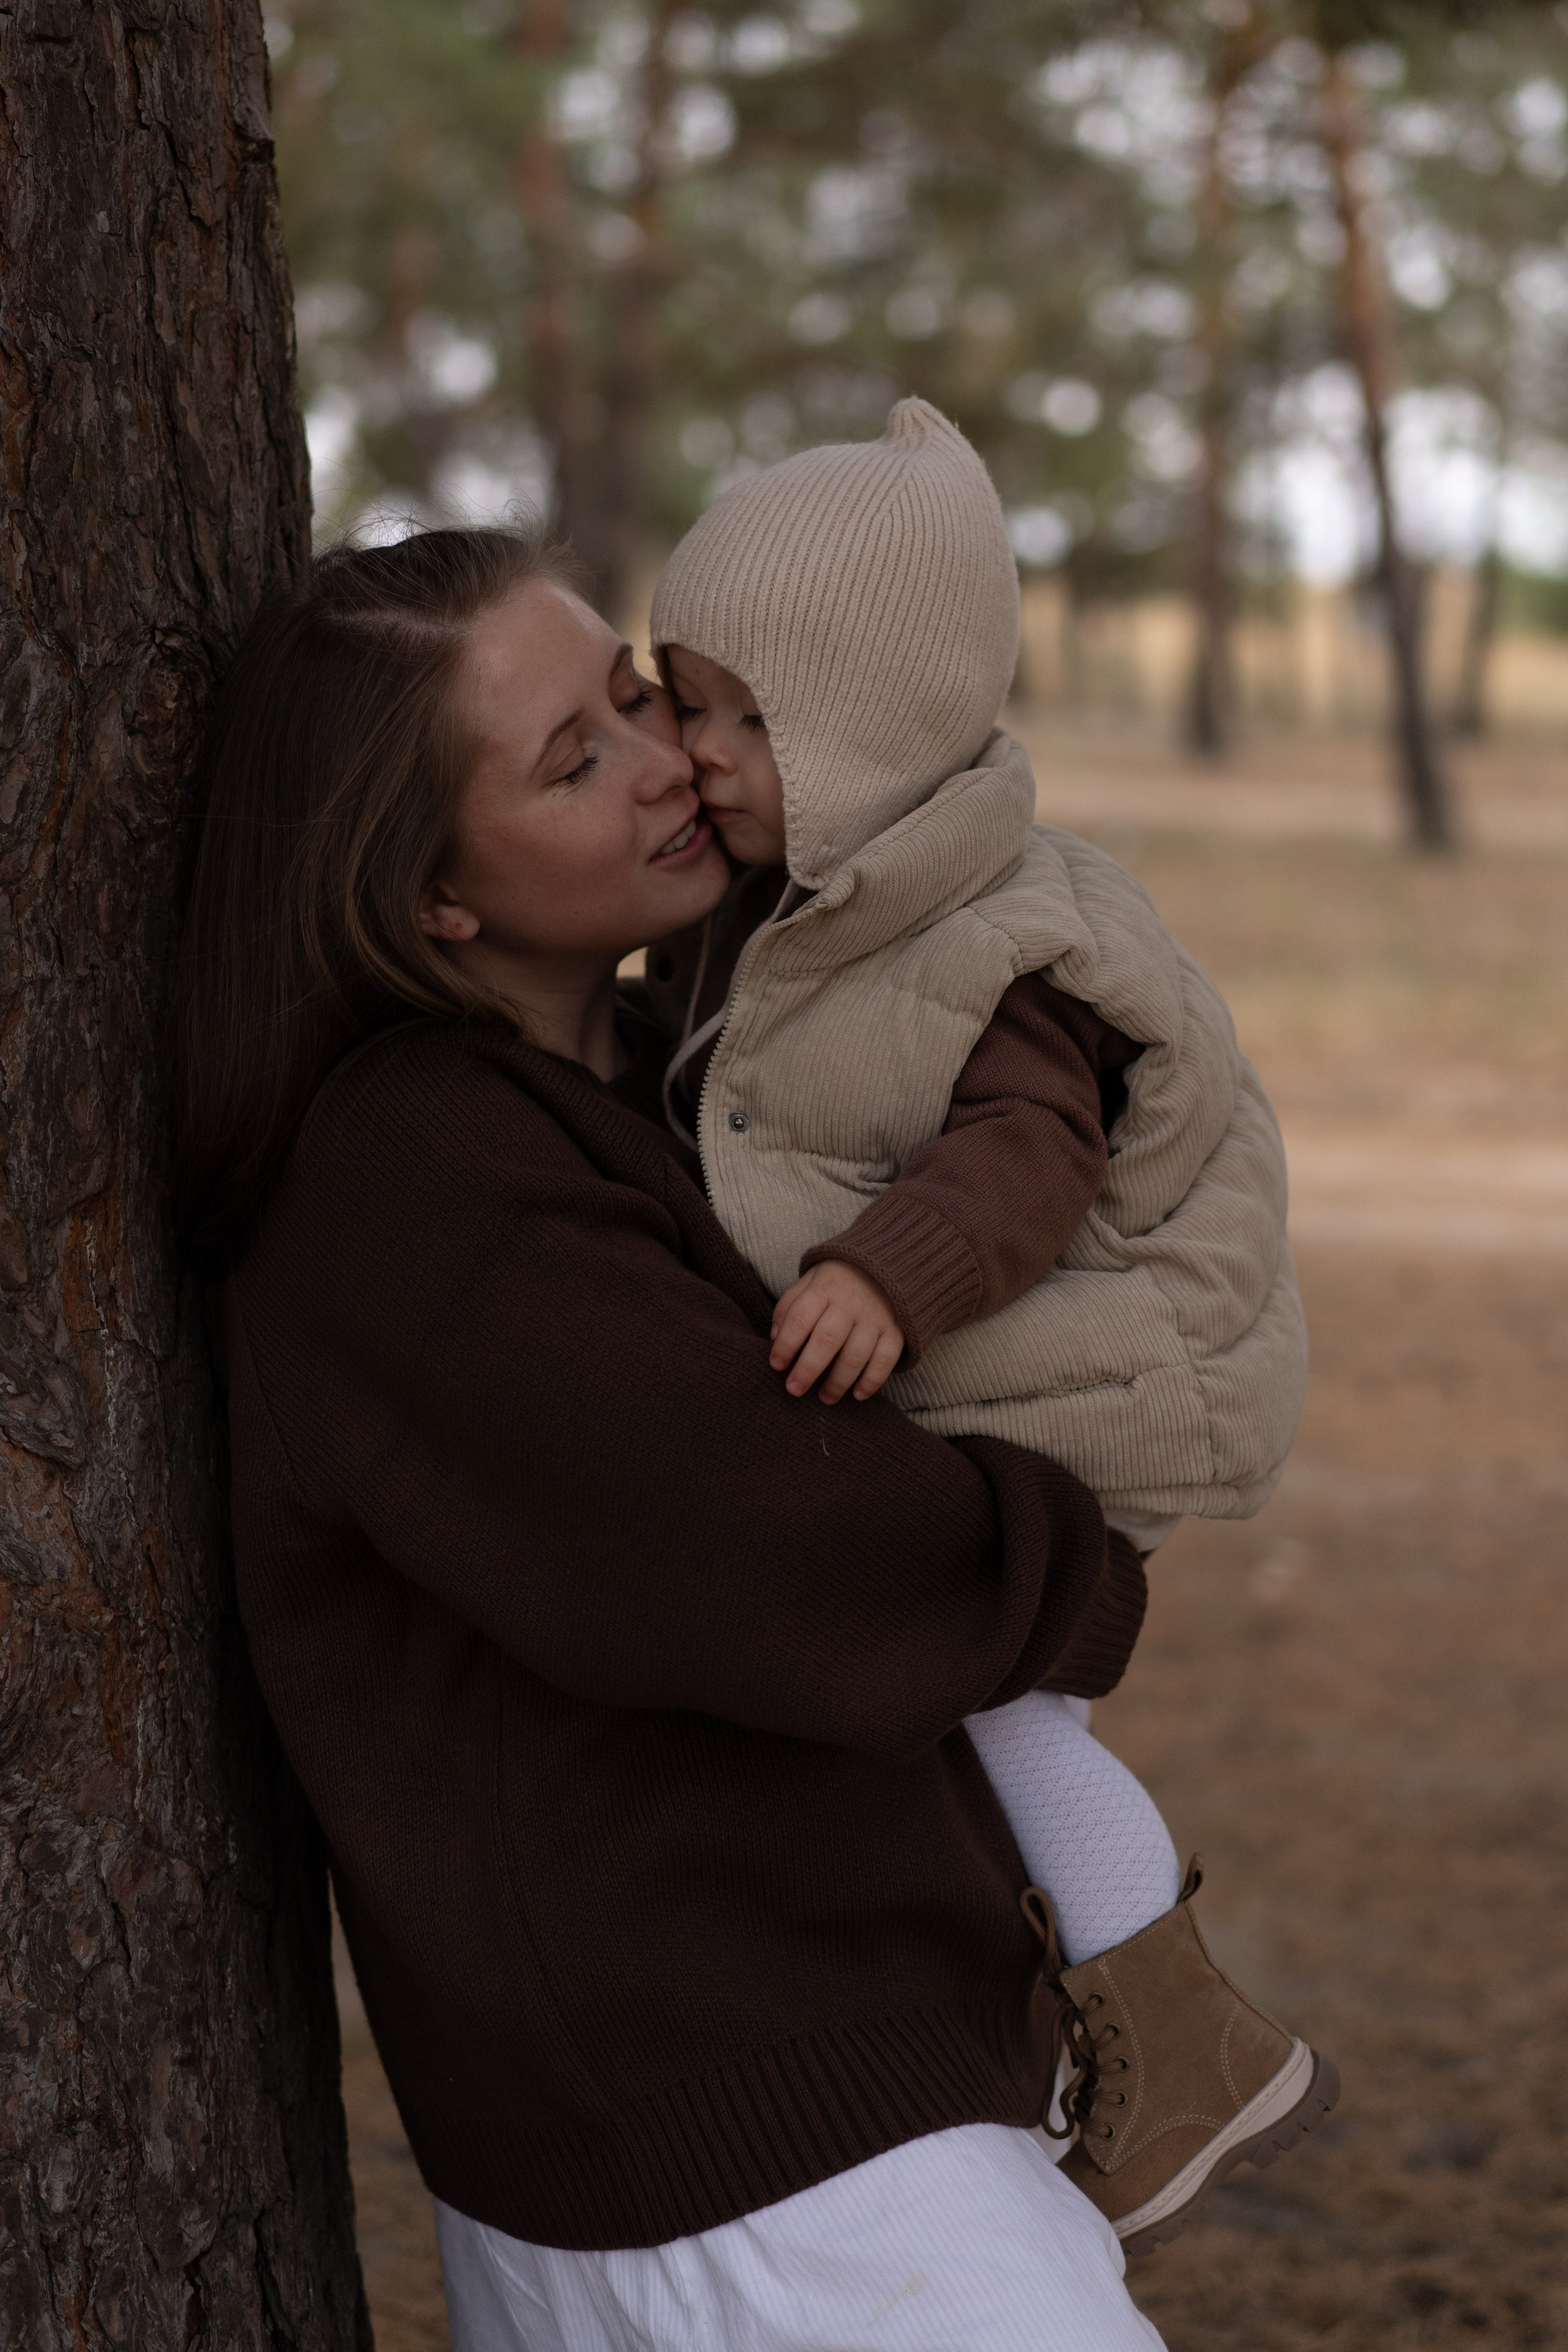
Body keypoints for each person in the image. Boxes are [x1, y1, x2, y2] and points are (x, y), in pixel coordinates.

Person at [176, 525, 1170, 2351]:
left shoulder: (658, 1069)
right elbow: (787, 1555)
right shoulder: (411, 1190)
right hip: (747, 2177)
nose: (667, 762)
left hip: (835, 2115)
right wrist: (1076, 1560)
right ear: (429, 906)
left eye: (633, 693)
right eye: (574, 760)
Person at [644, 398, 1336, 2253]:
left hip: (1065, 1396)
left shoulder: (996, 930)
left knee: (1002, 1715)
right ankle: (1053, 2026)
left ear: (857, 722)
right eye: (676, 699)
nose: (691, 750)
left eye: (732, 714)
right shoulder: (802, 898)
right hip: (970, 1396)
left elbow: (1033, 1153)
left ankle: (1183, 2042)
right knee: (941, 1729)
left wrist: (890, 1276)